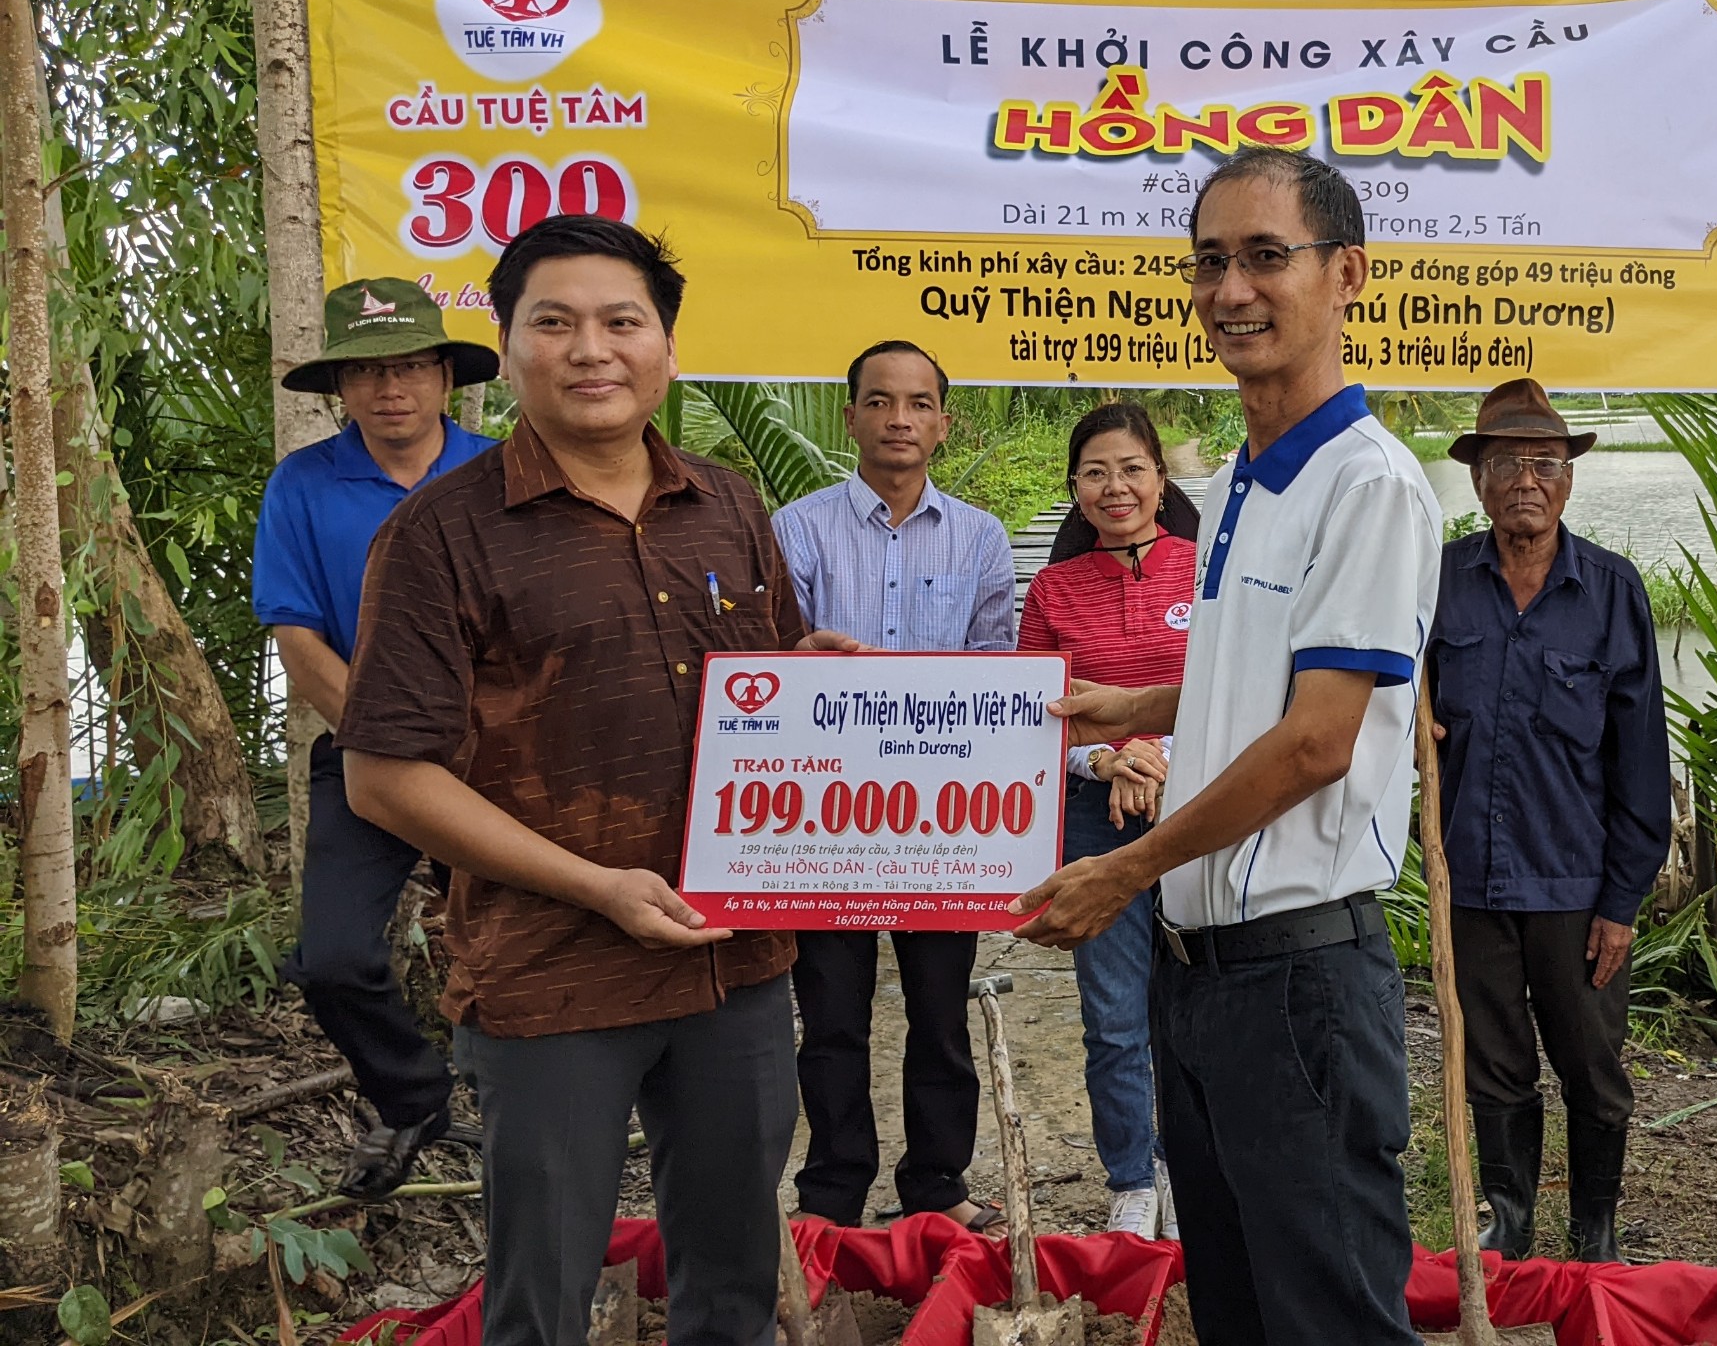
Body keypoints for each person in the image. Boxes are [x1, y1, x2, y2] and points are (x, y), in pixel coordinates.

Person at [339, 215, 843, 1346]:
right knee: (543, 1298)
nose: (591, 350)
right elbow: (385, 777)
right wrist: (596, 885)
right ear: (507, 349)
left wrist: (815, 683)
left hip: (734, 959)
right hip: (552, 974)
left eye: (622, 321)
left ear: (667, 346)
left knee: (733, 1283)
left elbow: (766, 695)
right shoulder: (439, 535)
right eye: (554, 323)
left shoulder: (727, 502)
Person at [1013, 146, 1441, 1346]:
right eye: (1209, 262)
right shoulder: (1247, 479)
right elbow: (1258, 679)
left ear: (1346, 274)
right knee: (1241, 1309)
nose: (1231, 290)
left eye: (1265, 256)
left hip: (1298, 979)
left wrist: (1122, 870)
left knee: (1330, 1316)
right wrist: (1135, 707)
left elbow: (1314, 743)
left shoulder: (1366, 485)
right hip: (1199, 973)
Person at [253, 277, 499, 1198]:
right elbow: (297, 637)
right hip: (369, 755)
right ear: (341, 389)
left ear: (444, 377)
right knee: (334, 960)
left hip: (500, 758)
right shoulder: (303, 484)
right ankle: (412, 1100)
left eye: (410, 367)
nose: (390, 388)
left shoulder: (502, 471)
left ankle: (535, 1114)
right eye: (366, 372)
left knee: (521, 943)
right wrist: (390, 742)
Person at [770, 339, 1017, 1232]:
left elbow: (998, 673)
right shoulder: (797, 529)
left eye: (918, 403)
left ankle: (937, 1185)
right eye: (879, 401)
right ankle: (833, 1189)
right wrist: (797, 656)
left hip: (939, 820)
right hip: (826, 816)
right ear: (851, 418)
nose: (899, 419)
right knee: (831, 1013)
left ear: (944, 423)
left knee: (939, 1013)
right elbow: (773, 660)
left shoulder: (982, 538)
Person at [1424, 376, 1670, 1265]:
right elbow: (1396, 706)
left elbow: (1641, 761)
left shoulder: (1611, 590)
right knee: (1493, 1062)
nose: (1525, 480)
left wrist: (1622, 901)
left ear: (1569, 479)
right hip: (1472, 877)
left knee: (1593, 1067)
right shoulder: (1440, 582)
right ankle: (1511, 1221)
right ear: (1477, 480)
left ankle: (1595, 1232)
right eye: (1505, 464)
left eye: (1545, 463)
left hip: (1576, 882)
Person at [1017, 402, 1203, 1240]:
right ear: (1074, 489)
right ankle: (1132, 1176)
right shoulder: (1052, 590)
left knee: (1206, 1003)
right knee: (1114, 1014)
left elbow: (1236, 695)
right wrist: (1104, 761)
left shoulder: (1207, 573)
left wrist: (1155, 752)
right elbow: (1032, 714)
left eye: (1132, 469)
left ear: (1161, 479)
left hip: (1204, 812)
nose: (1115, 487)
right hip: (1095, 818)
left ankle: (1200, 1167)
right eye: (1095, 472)